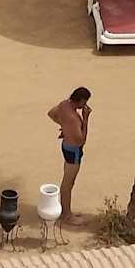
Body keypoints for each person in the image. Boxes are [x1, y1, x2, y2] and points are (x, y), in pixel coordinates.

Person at [47, 87, 92, 221]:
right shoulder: (74, 119)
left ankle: (65, 211)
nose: (85, 105)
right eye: (85, 102)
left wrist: (65, 128)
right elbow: (81, 140)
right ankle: (66, 215)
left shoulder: (64, 104)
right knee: (68, 183)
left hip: (66, 146)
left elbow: (51, 114)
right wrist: (86, 119)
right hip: (74, 152)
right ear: (81, 100)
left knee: (66, 181)